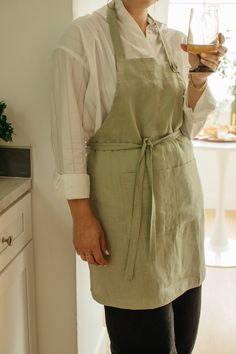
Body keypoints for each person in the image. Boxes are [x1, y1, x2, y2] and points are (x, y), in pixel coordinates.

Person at [50, 0, 227, 353]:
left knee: (184, 335)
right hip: (124, 210)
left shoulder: (174, 40)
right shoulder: (83, 38)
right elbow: (68, 136)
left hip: (180, 203)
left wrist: (197, 80)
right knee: (142, 339)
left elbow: (185, 128)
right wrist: (81, 215)